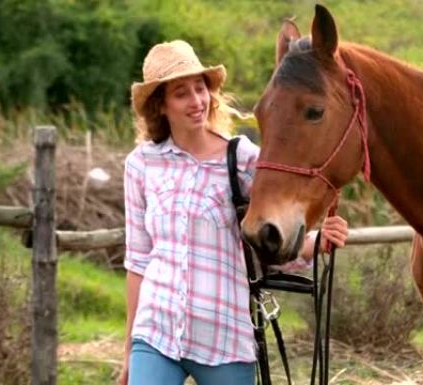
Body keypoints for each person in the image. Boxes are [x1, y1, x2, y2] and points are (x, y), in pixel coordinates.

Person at [120, 40, 349, 385]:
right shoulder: (141, 165)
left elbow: (272, 234)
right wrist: (128, 353)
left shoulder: (241, 159)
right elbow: (138, 262)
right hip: (157, 331)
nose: (197, 101)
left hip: (223, 337)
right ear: (161, 105)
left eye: (201, 89)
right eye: (181, 93)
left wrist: (317, 242)